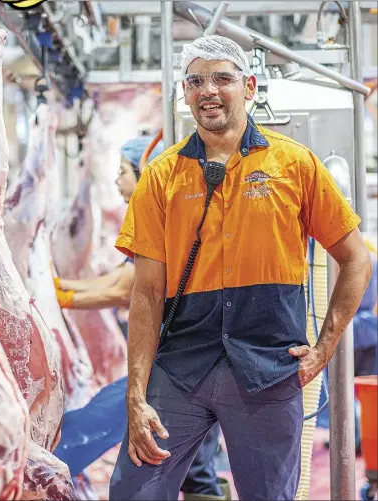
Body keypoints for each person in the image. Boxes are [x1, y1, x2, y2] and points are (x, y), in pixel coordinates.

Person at [108, 35, 373, 501]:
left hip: (267, 368)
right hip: (181, 367)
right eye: (195, 81)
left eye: (222, 79)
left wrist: (325, 347)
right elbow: (147, 294)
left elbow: (356, 260)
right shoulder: (160, 177)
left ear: (248, 86)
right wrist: (136, 393)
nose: (208, 90)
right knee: (134, 493)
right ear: (185, 94)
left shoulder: (294, 164)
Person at [54, 135, 230, 501]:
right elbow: (122, 279)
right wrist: (63, 289)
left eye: (122, 172)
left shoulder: (163, 216)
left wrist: (63, 296)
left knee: (186, 463)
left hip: (187, 358)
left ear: (143, 173)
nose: (117, 182)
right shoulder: (149, 220)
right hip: (180, 358)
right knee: (193, 464)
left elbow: (124, 288)